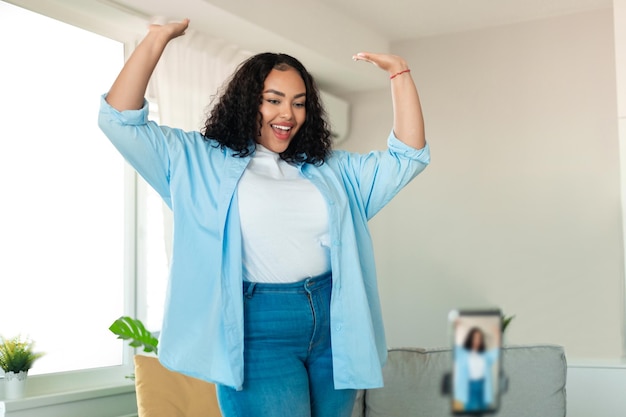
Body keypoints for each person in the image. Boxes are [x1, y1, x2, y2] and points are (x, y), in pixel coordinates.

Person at [99, 18, 429, 417]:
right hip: (256, 329)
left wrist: (400, 74)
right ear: (247, 101)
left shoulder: (331, 169)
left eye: (299, 101)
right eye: (273, 99)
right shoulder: (196, 160)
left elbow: (407, 157)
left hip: (333, 322)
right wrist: (157, 39)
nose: (287, 113)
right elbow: (118, 120)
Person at [453, 327, 500, 412]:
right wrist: (455, 328)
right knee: (471, 409)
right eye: (475, 338)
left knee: (483, 409)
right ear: (470, 339)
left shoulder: (485, 356)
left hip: (483, 385)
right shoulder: (463, 354)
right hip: (469, 386)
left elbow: (496, 352)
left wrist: (497, 334)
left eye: (479, 338)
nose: (477, 341)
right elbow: (454, 346)